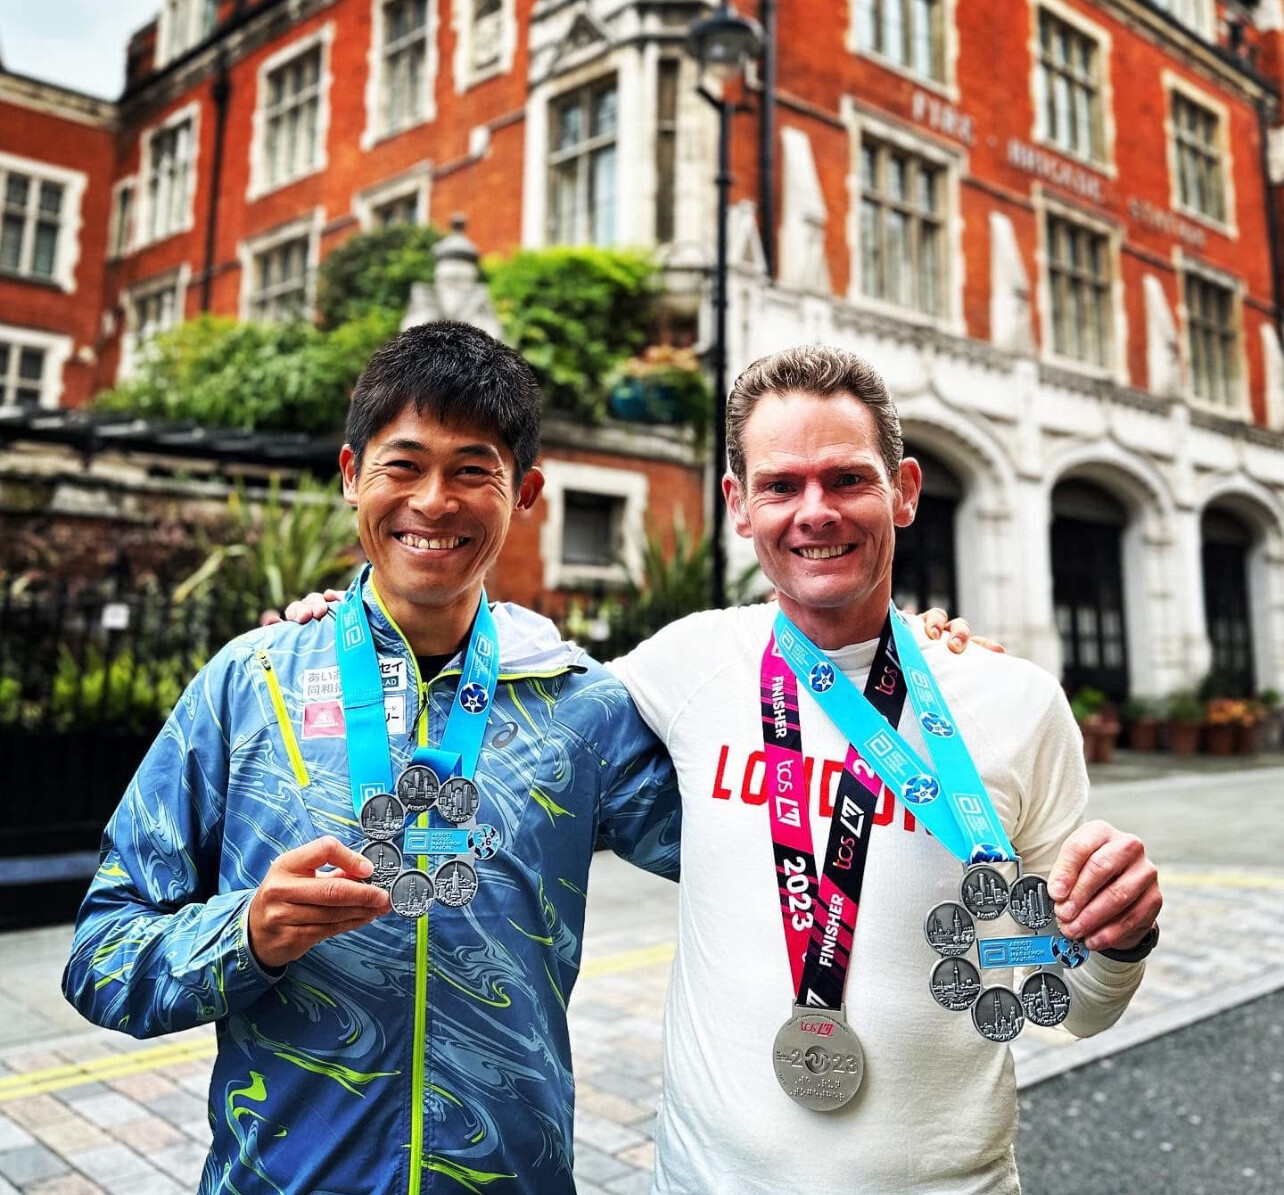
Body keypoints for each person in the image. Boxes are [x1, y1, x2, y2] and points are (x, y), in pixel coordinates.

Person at [62, 321, 689, 1195]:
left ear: (526, 491)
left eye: (472, 470)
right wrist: (244, 934)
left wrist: (856, 651)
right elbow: (99, 955)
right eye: (404, 464)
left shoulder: (580, 708)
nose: (434, 501)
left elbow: (755, 854)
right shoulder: (251, 685)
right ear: (352, 473)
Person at [608, 345, 1161, 1193]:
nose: (815, 511)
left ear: (903, 490)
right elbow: (518, 708)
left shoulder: (1012, 702)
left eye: (847, 479)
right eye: (781, 485)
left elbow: (1073, 1001)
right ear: (739, 506)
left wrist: (1118, 934)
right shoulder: (688, 665)